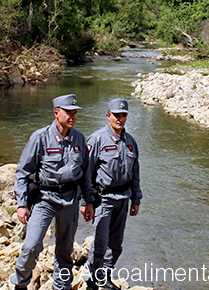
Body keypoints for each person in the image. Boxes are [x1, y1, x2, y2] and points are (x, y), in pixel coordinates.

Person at [10, 94, 95, 290]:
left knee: (65, 251)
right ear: (56, 113)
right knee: (31, 245)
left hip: (70, 200)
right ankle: (20, 284)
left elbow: (85, 175)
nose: (73, 116)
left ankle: (62, 286)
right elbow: (23, 172)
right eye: (68, 112)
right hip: (44, 199)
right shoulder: (39, 138)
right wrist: (22, 204)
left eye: (75, 112)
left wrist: (87, 201)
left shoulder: (80, 139)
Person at [82, 99, 142, 290]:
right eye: (116, 115)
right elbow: (86, 173)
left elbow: (135, 174)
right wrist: (86, 201)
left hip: (123, 199)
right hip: (103, 199)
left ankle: (105, 277)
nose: (120, 119)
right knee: (100, 243)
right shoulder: (97, 139)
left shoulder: (131, 142)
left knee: (116, 244)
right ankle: (92, 280)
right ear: (108, 116)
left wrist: (136, 199)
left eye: (123, 115)